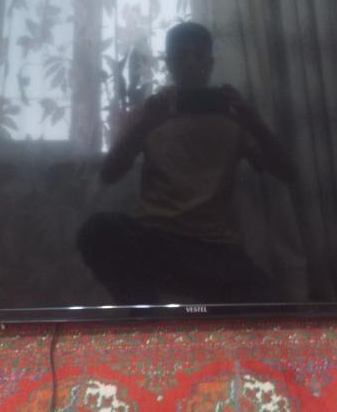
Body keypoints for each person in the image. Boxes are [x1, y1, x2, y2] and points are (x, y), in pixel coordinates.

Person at [78, 21, 296, 304]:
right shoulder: (150, 113)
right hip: (157, 240)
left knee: (276, 312)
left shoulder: (235, 117)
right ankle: (146, 316)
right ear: (169, 63)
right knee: (97, 231)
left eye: (198, 56)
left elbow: (288, 173)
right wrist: (144, 126)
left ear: (210, 63)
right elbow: (109, 174)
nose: (191, 63)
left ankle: (175, 307)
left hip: (216, 249)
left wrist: (255, 124)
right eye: (181, 56)